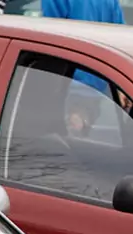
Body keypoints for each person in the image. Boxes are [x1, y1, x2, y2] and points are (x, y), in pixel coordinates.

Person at [40, 0, 127, 137]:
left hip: (67, 85)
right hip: (102, 88)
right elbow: (121, 41)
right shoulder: (110, 2)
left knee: (63, 144)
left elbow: (50, 40)